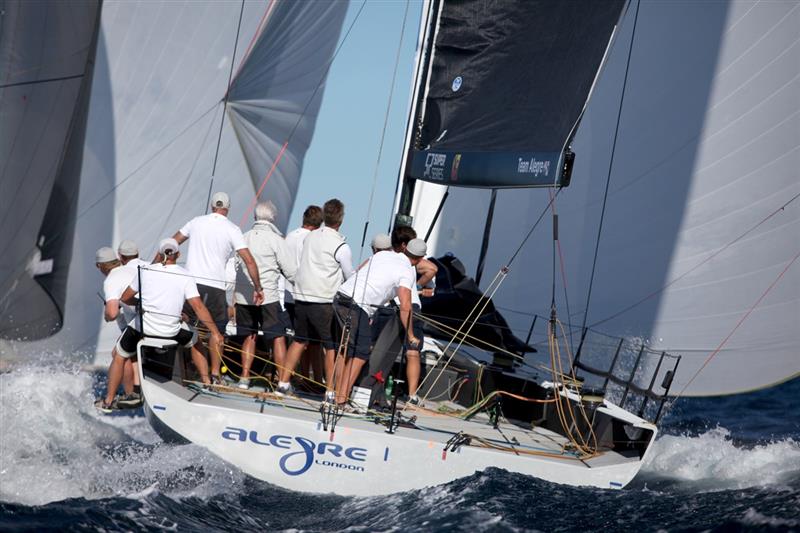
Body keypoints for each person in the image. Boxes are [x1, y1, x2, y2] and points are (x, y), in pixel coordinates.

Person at [96, 239, 224, 411]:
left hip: (144, 328)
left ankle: (108, 402)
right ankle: (207, 382)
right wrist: (215, 332)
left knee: (119, 355)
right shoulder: (185, 275)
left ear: (160, 254)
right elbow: (198, 306)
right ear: (178, 254)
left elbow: (125, 298)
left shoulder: (145, 271)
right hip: (171, 330)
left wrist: (140, 305)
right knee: (195, 341)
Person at [171, 192, 264, 383]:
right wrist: (258, 287)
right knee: (217, 332)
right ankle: (215, 374)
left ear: (213, 206)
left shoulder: (196, 222)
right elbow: (249, 261)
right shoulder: (232, 229)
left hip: (191, 284)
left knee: (185, 325)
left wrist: (155, 266)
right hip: (215, 288)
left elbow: (172, 243)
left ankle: (183, 370)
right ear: (227, 208)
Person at [332, 238, 427, 406]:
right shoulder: (406, 271)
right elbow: (406, 306)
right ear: (419, 259)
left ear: (405, 249)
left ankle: (336, 394)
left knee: (348, 351)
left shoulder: (382, 254)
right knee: (360, 354)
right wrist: (411, 335)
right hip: (357, 305)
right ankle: (340, 400)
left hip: (341, 297)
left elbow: (360, 271)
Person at [279, 198, 354, 398]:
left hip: (302, 297)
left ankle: (283, 383)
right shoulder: (341, 245)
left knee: (299, 340)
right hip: (324, 301)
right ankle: (330, 390)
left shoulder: (309, 237)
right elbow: (349, 276)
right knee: (330, 346)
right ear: (341, 219)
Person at [235, 201, 297, 389]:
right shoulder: (277, 240)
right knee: (277, 336)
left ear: (255, 217)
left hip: (243, 295)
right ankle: (281, 381)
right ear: (273, 218)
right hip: (267, 295)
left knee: (249, 335)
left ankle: (244, 378)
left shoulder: (243, 237)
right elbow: (291, 272)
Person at [388, 225, 437, 403]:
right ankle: (412, 395)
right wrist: (418, 287)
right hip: (413, 306)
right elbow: (432, 269)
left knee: (381, 350)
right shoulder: (411, 261)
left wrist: (415, 286)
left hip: (394, 306)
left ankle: (368, 389)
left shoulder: (387, 257)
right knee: (413, 352)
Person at [282, 205, 324, 383]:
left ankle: (287, 376)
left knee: (295, 340)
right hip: (307, 295)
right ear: (319, 223)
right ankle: (306, 378)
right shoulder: (314, 239)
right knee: (310, 341)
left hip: (287, 294)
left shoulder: (290, 236)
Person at [94, 247, 137, 410]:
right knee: (129, 353)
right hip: (155, 319)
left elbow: (112, 313)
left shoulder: (111, 280)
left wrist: (107, 314)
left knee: (119, 354)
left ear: (100, 266)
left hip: (141, 325)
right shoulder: (130, 270)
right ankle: (134, 391)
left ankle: (118, 398)